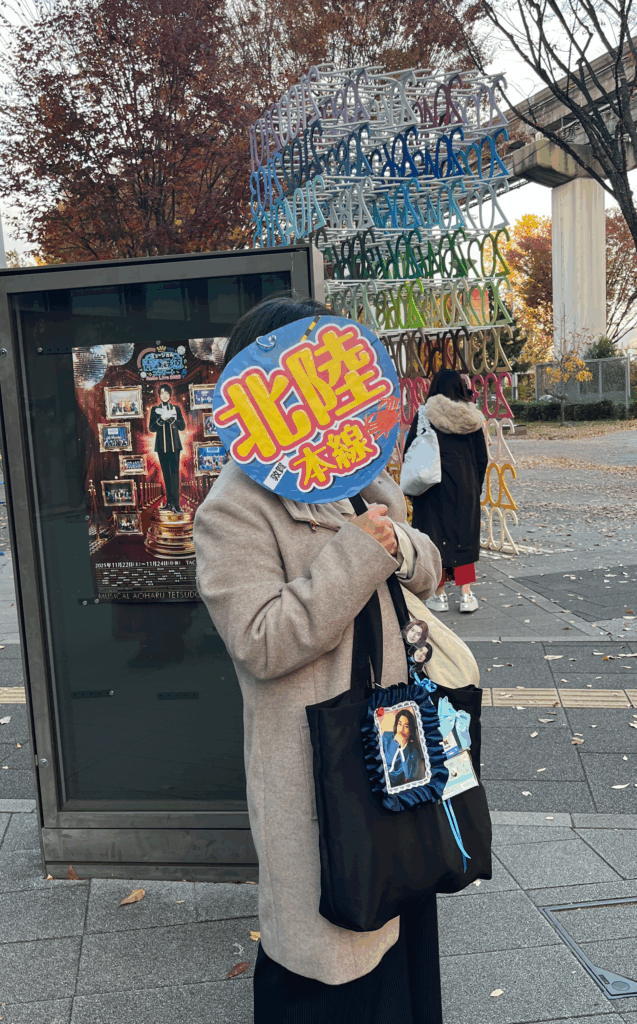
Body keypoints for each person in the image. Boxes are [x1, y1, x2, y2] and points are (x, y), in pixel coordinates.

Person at [194, 295, 444, 1024]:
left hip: (396, 755)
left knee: (402, 956)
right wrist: (362, 551)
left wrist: (397, 543)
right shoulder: (235, 507)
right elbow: (262, 640)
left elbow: (424, 565)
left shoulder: (356, 476)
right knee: (332, 969)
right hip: (320, 776)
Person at [404, 369, 488, 613]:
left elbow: (411, 449)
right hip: (465, 487)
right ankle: (466, 595)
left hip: (432, 488)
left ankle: (439, 595)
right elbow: (481, 458)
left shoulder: (425, 414)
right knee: (464, 539)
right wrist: (474, 485)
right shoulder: (472, 418)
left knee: (433, 538)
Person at [148, 383, 186, 513]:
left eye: (166, 393)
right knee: (166, 475)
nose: (164, 395)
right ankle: (168, 502)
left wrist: (171, 419)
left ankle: (176, 504)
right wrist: (161, 419)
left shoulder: (176, 409)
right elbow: (151, 428)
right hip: (161, 447)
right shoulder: (154, 410)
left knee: (175, 475)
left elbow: (182, 427)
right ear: (159, 395)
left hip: (174, 446)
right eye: (162, 393)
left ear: (170, 395)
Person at [380, 708, 424, 787]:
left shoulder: (413, 750)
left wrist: (403, 746)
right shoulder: (386, 736)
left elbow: (409, 775)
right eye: (399, 724)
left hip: (395, 784)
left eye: (406, 726)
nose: (401, 729)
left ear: (410, 730)